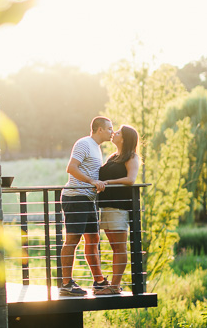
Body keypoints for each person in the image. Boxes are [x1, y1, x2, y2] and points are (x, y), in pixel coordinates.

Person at [59, 116, 113, 296]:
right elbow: (71, 168)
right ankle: (66, 285)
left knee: (93, 240)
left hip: (88, 199)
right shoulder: (84, 143)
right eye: (110, 129)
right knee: (72, 240)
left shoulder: (97, 148)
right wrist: (92, 181)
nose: (112, 132)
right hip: (75, 197)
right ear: (99, 130)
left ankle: (98, 281)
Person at [95, 125, 140, 295]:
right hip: (106, 206)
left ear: (125, 138)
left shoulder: (132, 157)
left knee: (119, 247)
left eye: (118, 132)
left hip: (119, 207)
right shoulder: (113, 157)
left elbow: (131, 179)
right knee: (114, 246)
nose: (114, 133)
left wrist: (108, 183)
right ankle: (114, 286)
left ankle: (114, 286)